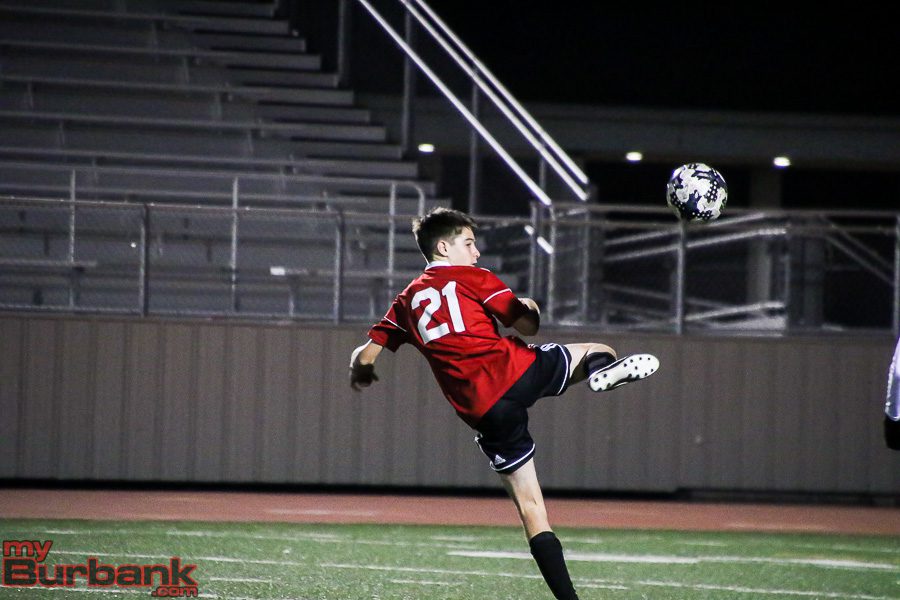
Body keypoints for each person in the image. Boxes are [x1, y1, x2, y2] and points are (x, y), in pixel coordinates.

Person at [348, 208, 659, 599]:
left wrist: (360, 373)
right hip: (515, 370)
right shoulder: (474, 277)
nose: (476, 252)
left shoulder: (407, 300)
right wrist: (531, 305)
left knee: (532, 509)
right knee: (599, 349)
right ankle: (601, 372)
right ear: (443, 247)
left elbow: (365, 354)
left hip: (483, 410)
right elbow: (527, 325)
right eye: (468, 243)